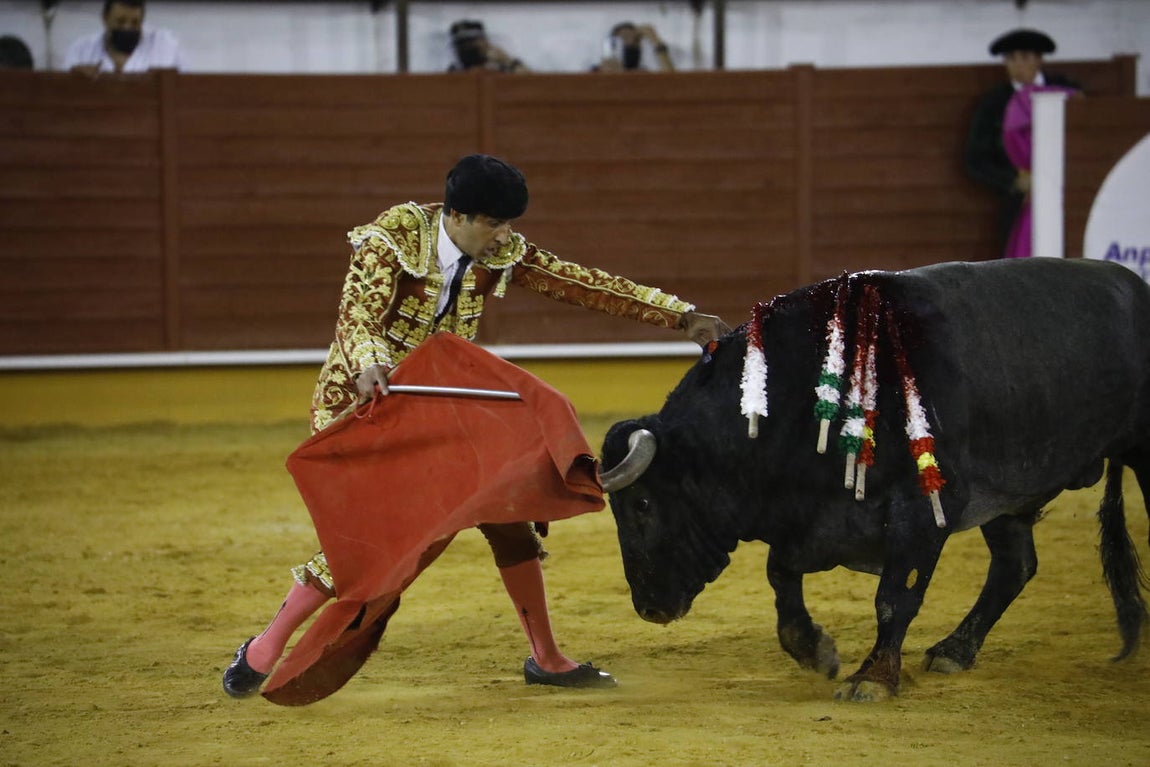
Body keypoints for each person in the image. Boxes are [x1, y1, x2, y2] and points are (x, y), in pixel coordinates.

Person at [223, 153, 729, 699]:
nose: (504, 236)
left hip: (442, 406)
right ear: (457, 215)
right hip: (362, 408)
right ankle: (265, 647)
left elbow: (583, 284)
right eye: (494, 223)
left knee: (509, 509)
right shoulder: (391, 239)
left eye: (509, 224)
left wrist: (680, 315)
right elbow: (357, 317)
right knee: (379, 537)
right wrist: (371, 361)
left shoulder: (501, 249)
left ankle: (548, 658)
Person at [963, 28, 1078, 256]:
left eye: (1024, 57)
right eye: (1011, 58)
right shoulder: (993, 103)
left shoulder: (1068, 92)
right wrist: (1014, 180)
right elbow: (975, 159)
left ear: (1039, 59)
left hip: (1071, 193)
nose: (1017, 65)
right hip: (1017, 200)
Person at [63, 0, 183, 76]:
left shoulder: (166, 47)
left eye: (135, 22)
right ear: (105, 19)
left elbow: (188, 89)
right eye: (120, 21)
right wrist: (76, 80)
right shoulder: (80, 51)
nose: (127, 28)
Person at [448, 19, 529, 73]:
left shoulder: (501, 68)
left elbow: (533, 83)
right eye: (462, 44)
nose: (467, 47)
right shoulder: (454, 72)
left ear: (485, 42)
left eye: (471, 43)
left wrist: (507, 61)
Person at [595, 22, 674, 73]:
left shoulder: (641, 75)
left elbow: (672, 83)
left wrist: (654, 39)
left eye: (636, 40)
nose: (630, 42)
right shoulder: (596, 72)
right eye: (625, 37)